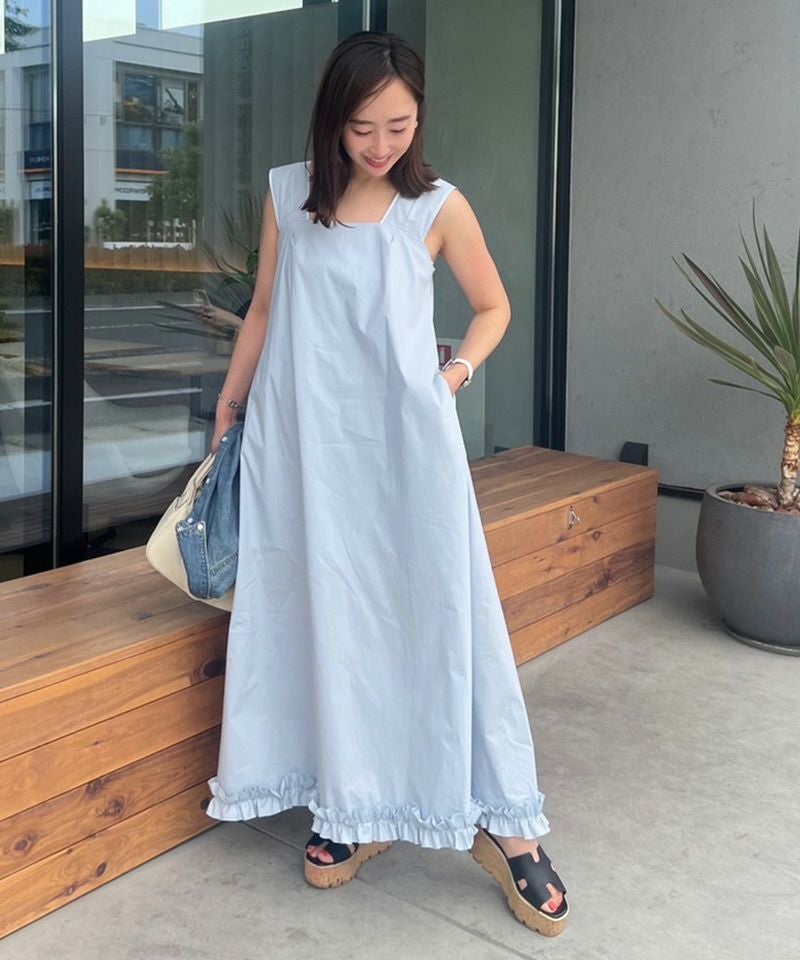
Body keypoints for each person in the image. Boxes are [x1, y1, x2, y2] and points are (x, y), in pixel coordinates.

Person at [205, 30, 569, 939]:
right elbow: (264, 310)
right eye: (363, 127)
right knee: (326, 613)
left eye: (399, 126)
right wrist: (231, 405)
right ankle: (352, 802)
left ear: (420, 119)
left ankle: (511, 824)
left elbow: (494, 307)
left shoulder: (436, 206)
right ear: (334, 119)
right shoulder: (289, 195)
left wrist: (453, 378)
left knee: (445, 614)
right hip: (303, 448)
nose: (380, 145)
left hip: (406, 449)